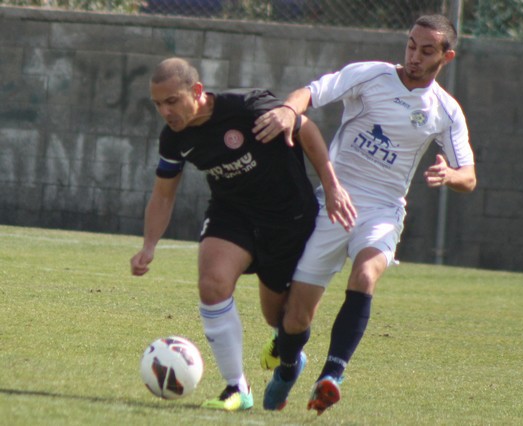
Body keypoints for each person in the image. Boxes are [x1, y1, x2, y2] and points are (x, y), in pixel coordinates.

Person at [252, 14, 477, 414]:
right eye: (411, 45)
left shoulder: (446, 110)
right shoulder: (370, 75)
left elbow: (469, 176)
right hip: (334, 201)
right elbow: (311, 92)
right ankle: (288, 368)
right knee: (295, 317)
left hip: (382, 211)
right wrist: (288, 109)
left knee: (366, 274)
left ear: (447, 57)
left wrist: (450, 175)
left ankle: (331, 376)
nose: (414, 56)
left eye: (427, 51)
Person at [130, 57, 355, 411]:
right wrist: (149, 246)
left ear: (197, 91)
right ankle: (237, 387)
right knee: (212, 283)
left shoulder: (247, 108)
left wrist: (332, 187)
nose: (165, 112)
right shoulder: (174, 138)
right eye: (158, 104)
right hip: (232, 213)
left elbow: (306, 129)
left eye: (172, 101)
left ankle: (288, 354)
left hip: (286, 219)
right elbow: (163, 194)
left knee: (279, 319)